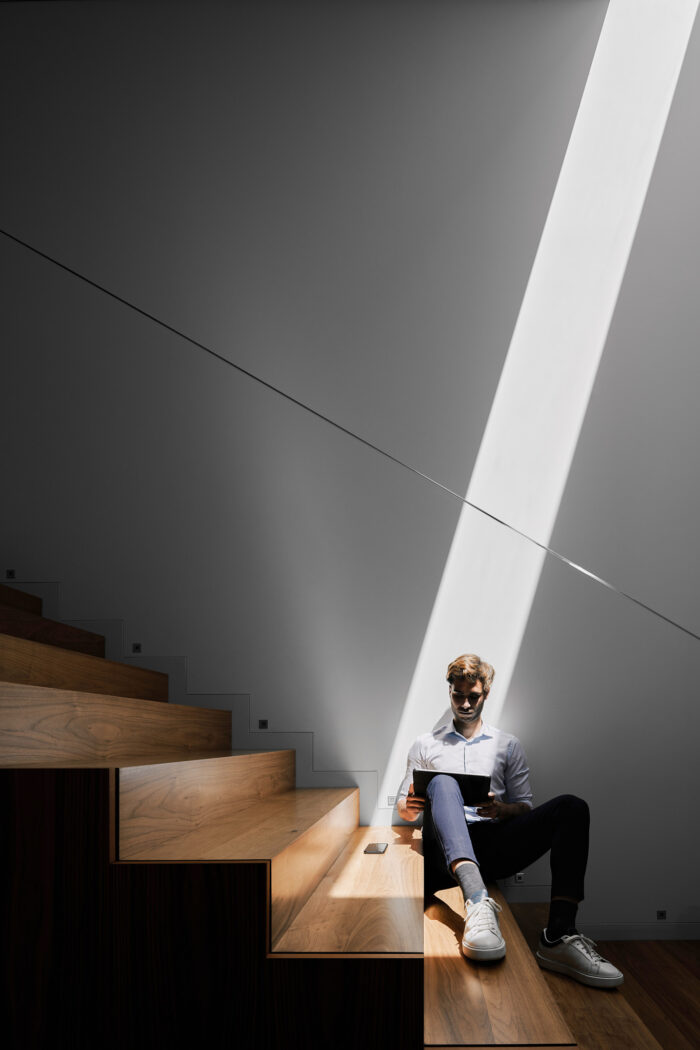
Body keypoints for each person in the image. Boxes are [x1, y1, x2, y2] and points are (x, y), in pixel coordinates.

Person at [396, 653, 623, 989]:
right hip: (442, 848)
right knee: (444, 782)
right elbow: (403, 807)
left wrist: (501, 810)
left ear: (485, 693)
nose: (465, 703)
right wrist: (411, 803)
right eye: (458, 695)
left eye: (473, 696)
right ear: (450, 692)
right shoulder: (426, 743)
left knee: (572, 808)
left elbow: (525, 807)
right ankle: (476, 900)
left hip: (491, 843)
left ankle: (559, 935)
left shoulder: (507, 745)